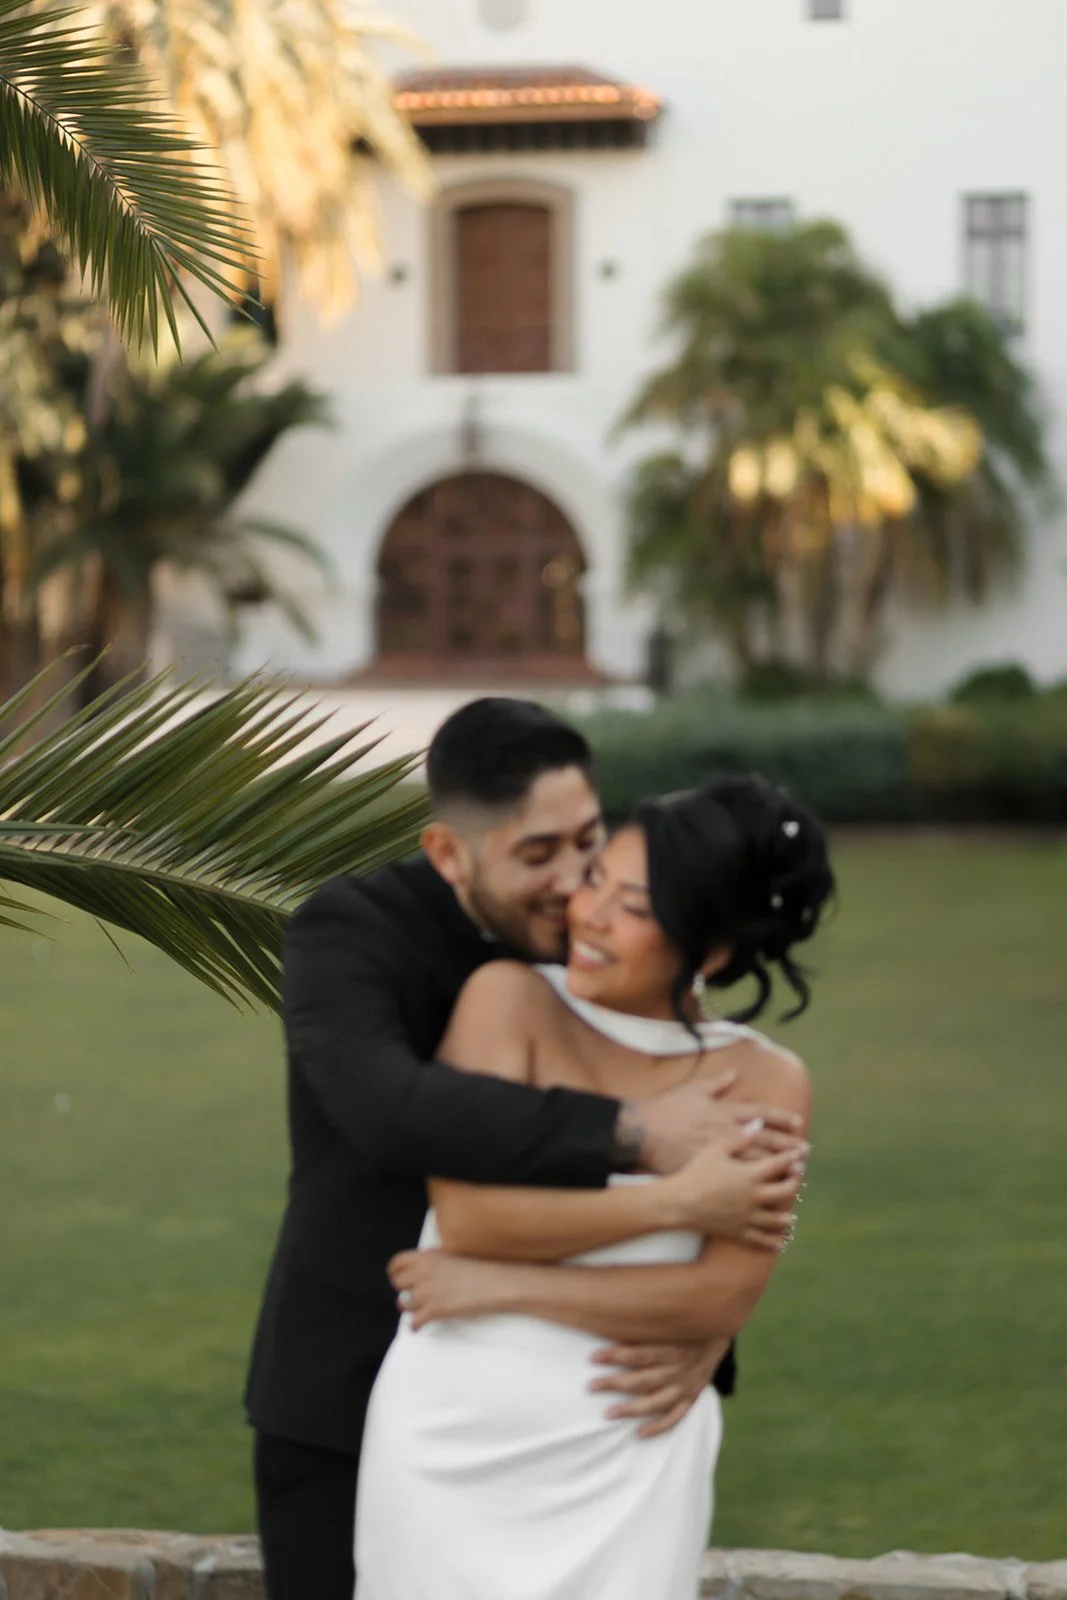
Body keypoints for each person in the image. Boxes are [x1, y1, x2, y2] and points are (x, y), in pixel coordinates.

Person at [246, 700, 806, 1600]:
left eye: (586, 840)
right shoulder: (348, 933)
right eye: (536, 856)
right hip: (347, 1389)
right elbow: (391, 1112)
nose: (574, 881)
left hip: (596, 1413)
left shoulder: (614, 967)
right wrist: (638, 1141)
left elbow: (745, 1190)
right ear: (447, 855)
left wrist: (708, 1322)